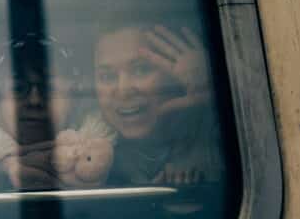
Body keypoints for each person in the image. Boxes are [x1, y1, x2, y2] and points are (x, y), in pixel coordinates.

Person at [0, 34, 114, 191]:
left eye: (47, 89)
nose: (34, 100)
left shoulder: (113, 161)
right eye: (19, 89)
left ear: (73, 100)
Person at [93, 23, 225, 186]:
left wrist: (218, 90)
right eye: (107, 76)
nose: (123, 90)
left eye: (141, 69)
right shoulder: (85, 147)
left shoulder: (218, 130)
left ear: (177, 73)